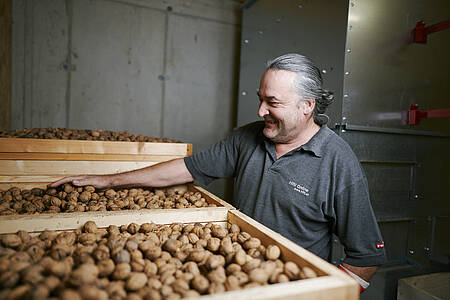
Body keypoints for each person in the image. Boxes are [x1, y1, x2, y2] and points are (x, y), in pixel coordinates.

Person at [50, 53, 386, 292]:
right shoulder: (247, 138)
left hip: (291, 288)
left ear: (307, 105)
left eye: (272, 102)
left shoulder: (337, 162)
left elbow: (366, 257)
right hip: (235, 278)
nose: (260, 111)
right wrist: (106, 181)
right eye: (259, 99)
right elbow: (186, 169)